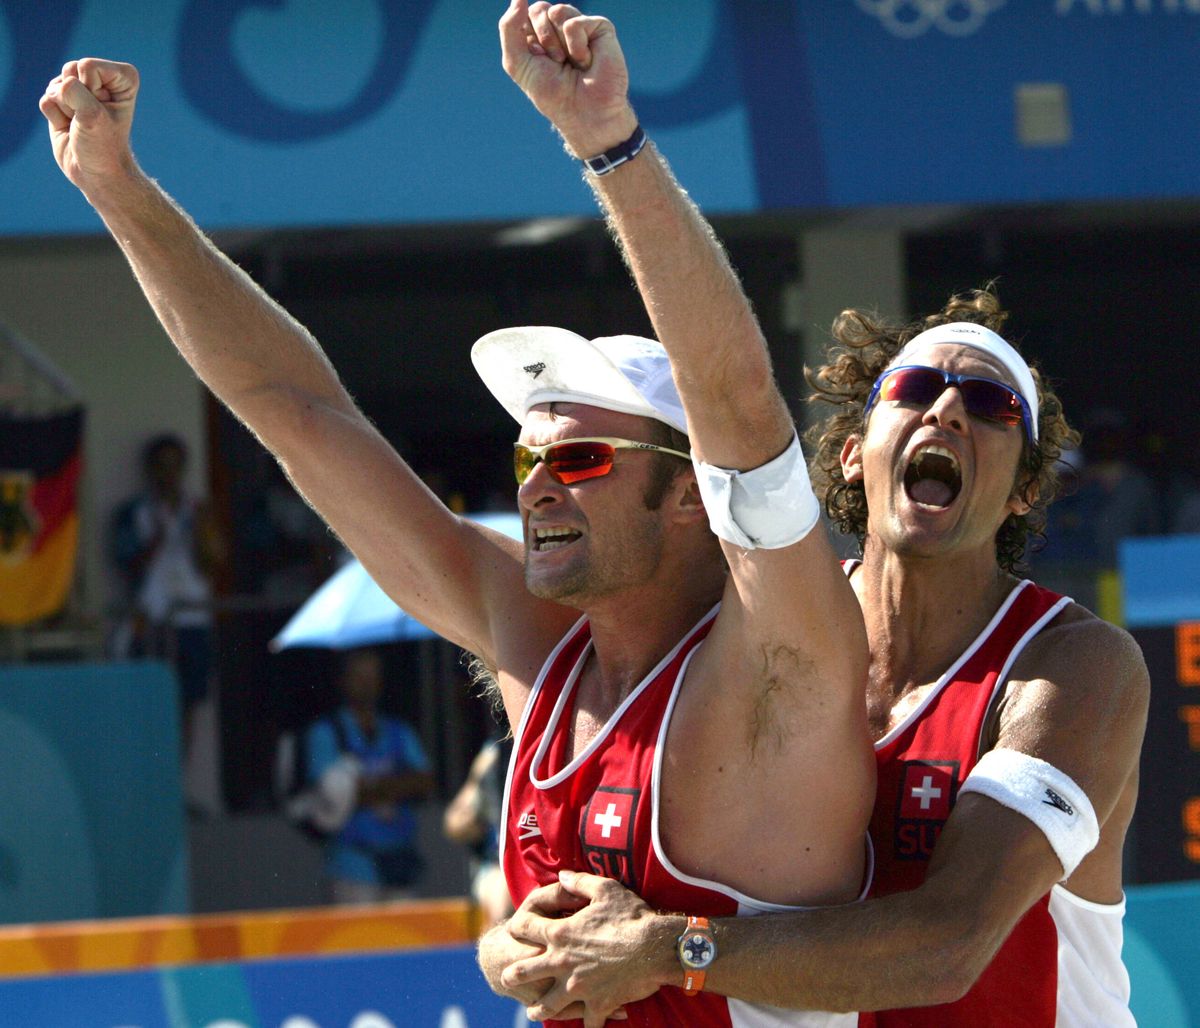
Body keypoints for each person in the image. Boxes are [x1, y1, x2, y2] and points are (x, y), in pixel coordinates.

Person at [41, 19, 874, 1026]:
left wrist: (607, 142)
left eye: (579, 457)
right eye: (529, 458)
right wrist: (120, 193)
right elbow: (294, 410)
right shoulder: (542, 645)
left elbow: (740, 408)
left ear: (693, 490)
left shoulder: (778, 655)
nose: (538, 487)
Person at [483, 6, 1150, 1026]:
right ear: (851, 450)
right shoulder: (767, 633)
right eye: (914, 390)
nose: (943, 410)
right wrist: (523, 936)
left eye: (987, 406)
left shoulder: (1071, 666)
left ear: (1024, 488)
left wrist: (670, 948)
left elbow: (947, 944)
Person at [111, 432, 222, 771]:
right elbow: (126, 564)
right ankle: (152, 782)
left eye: (175, 467)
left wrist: (202, 530)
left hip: (192, 618)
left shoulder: (197, 509)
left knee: (188, 703)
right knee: (151, 701)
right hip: (151, 618)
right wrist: (157, 537)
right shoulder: (134, 513)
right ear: (150, 470)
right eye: (161, 467)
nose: (169, 475)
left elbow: (213, 564)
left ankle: (177, 782)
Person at [306, 648, 434, 905]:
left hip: (400, 860)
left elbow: (425, 781)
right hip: (351, 864)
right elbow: (329, 794)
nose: (367, 685)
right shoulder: (327, 732)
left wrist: (369, 788)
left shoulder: (397, 729)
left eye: (373, 677)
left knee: (408, 942)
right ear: (342, 682)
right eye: (359, 677)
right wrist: (397, 785)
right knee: (355, 942)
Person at [443, 733, 515, 929]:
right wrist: (469, 821)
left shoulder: (551, 742)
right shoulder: (493, 752)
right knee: (502, 903)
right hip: (496, 864)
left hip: (545, 862)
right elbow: (454, 824)